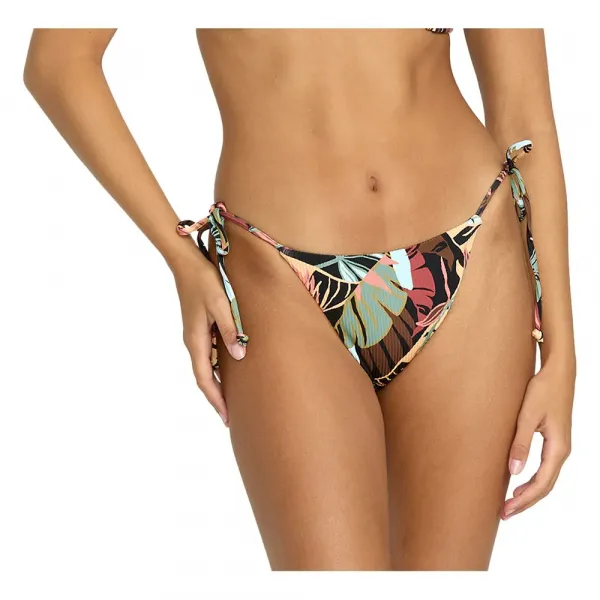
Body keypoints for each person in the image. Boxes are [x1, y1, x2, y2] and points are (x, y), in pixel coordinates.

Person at [23, 28, 575, 571]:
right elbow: (58, 61)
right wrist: (181, 258)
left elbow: (523, 109)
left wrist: (562, 357)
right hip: (276, 272)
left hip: (472, 250)